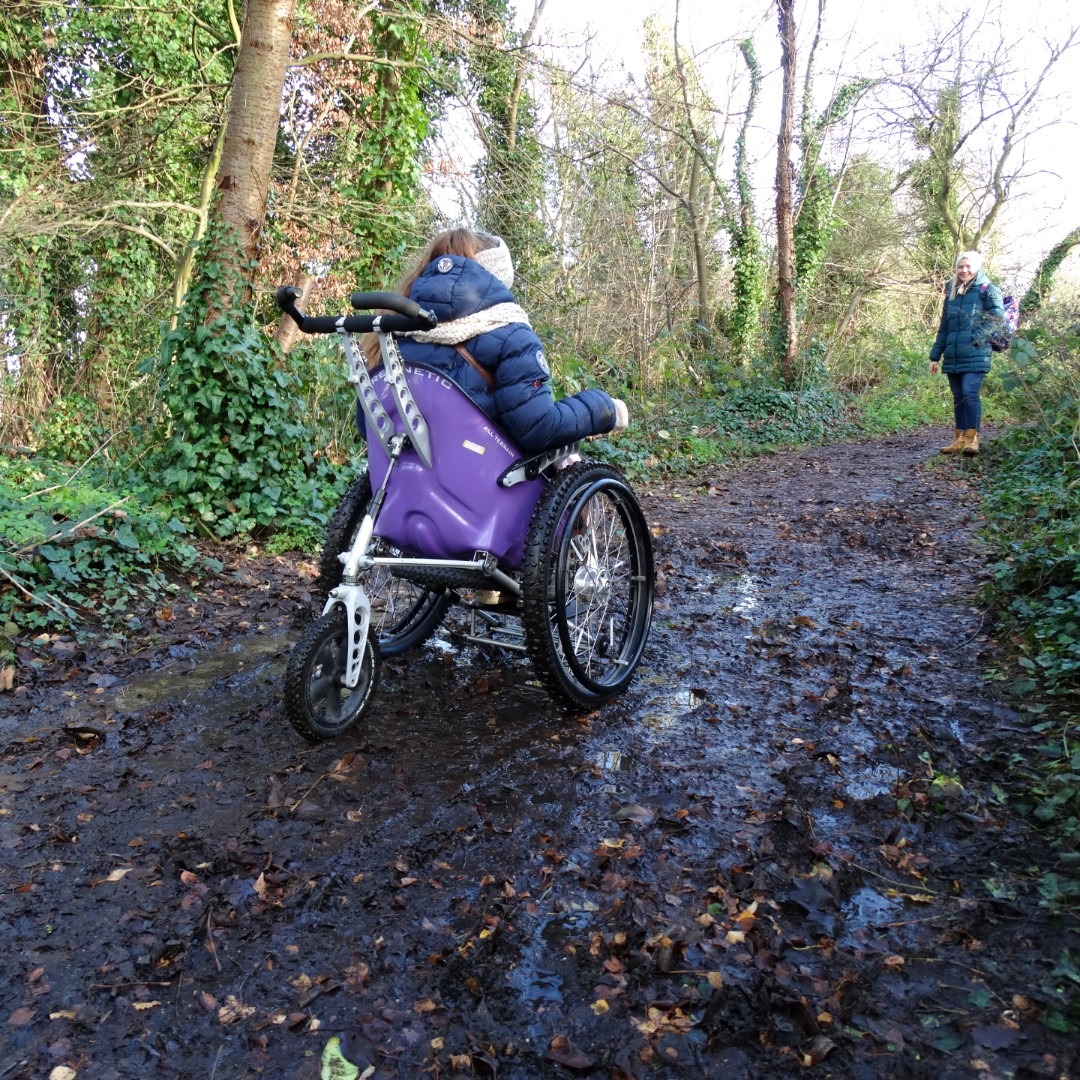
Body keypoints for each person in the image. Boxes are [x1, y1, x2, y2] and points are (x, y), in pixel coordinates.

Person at [362, 228, 628, 454]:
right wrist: (604, 408)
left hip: (406, 476)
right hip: (480, 479)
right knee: (564, 458)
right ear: (496, 280)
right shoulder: (512, 335)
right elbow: (538, 429)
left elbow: (368, 424)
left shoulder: (393, 333)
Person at [929, 250, 1004, 456]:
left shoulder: (987, 290)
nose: (964, 270)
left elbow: (997, 317)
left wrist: (976, 337)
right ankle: (960, 438)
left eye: (968, 266)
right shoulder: (952, 292)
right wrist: (935, 356)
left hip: (976, 352)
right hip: (953, 354)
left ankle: (973, 439)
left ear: (977, 267)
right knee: (959, 397)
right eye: (960, 266)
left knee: (970, 393)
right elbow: (944, 327)